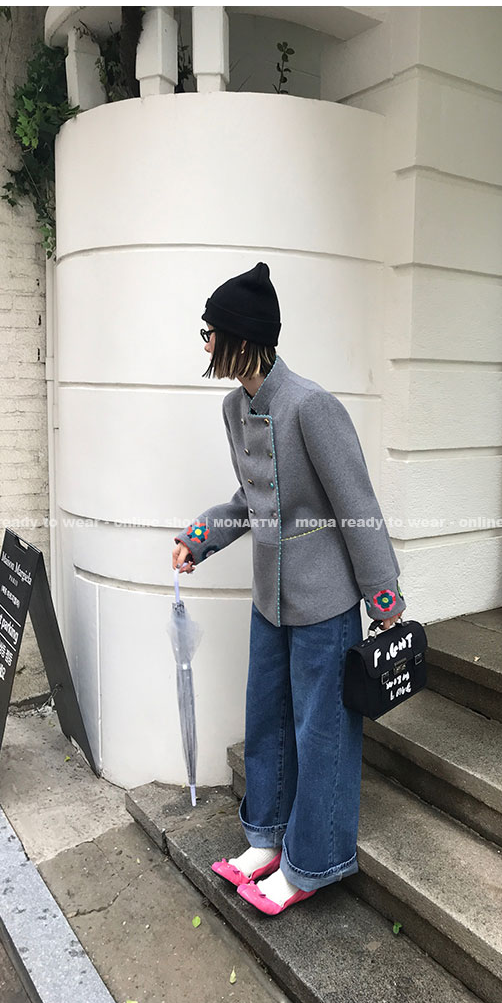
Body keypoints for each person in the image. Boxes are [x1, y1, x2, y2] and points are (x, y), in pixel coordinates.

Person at [172, 261, 406, 916]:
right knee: (267, 720)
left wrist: (384, 601)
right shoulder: (233, 408)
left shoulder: (311, 405)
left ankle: (310, 862)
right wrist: (198, 537)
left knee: (322, 732)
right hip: (269, 601)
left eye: (209, 333)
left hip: (326, 603)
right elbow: (247, 501)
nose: (205, 344)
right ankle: (266, 839)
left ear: (240, 337)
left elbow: (357, 505)